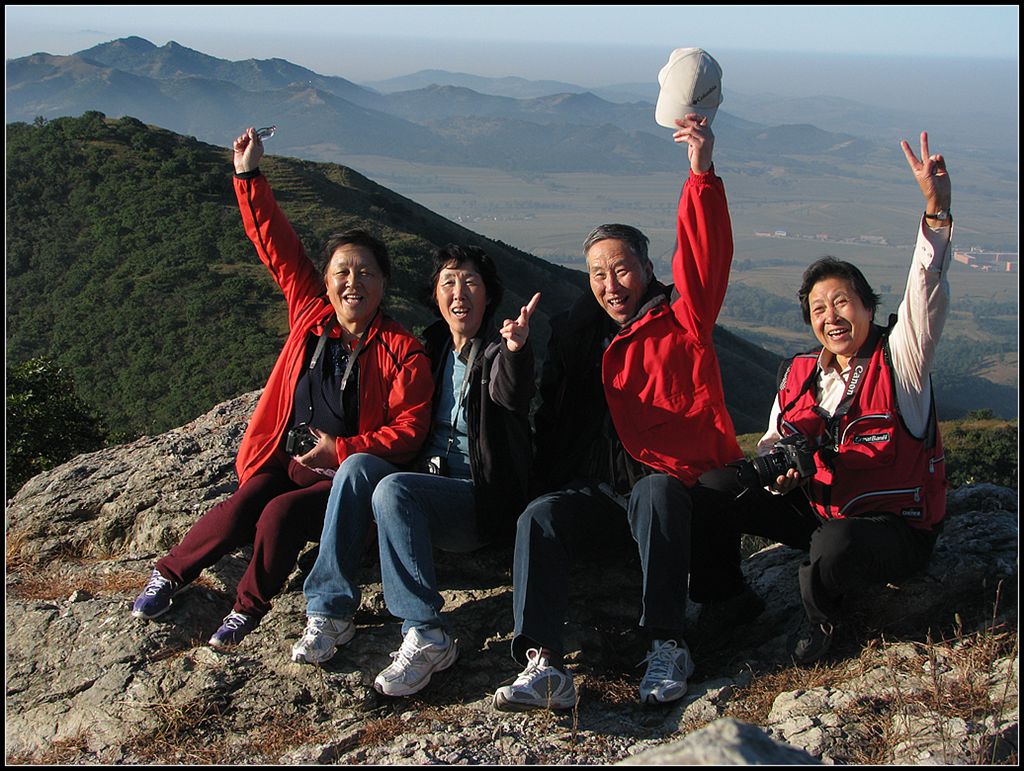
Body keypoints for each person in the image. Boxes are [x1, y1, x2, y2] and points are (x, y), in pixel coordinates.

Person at [130, 127, 433, 648]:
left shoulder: (403, 351)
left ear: (384, 284)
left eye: (365, 273)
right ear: (328, 280)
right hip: (288, 461)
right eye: (342, 271)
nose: (352, 283)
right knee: (248, 499)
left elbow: (408, 431)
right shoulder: (311, 317)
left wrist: (342, 449)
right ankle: (172, 574)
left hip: (343, 484)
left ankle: (247, 607)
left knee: (281, 512)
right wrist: (247, 174)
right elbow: (276, 244)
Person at [490, 113, 742, 712]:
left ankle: (666, 645)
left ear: (649, 270)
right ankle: (544, 664)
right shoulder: (578, 338)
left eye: (623, 268)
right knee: (541, 516)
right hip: (599, 495)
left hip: (667, 490)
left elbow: (706, 259)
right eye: (598, 274)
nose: (611, 283)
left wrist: (701, 174)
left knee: (655, 493)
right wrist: (519, 354)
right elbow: (537, 411)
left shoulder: (684, 321)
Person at [688, 131, 953, 665]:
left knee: (832, 547)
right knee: (713, 489)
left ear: (867, 307)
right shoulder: (801, 372)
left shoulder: (902, 360)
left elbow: (925, 290)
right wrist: (778, 466)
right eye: (818, 308)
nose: (831, 317)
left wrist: (936, 212)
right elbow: (771, 438)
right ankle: (727, 600)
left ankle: (829, 623)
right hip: (817, 506)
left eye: (842, 302)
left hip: (888, 526)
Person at [291, 244, 539, 698]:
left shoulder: (497, 353)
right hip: (430, 487)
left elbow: (512, 393)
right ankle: (330, 610)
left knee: (392, 491)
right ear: (436, 295)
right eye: (449, 283)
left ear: (489, 296)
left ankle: (427, 632)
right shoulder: (436, 347)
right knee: (358, 465)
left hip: (480, 500)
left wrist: (518, 351)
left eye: (470, 284)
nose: (459, 293)